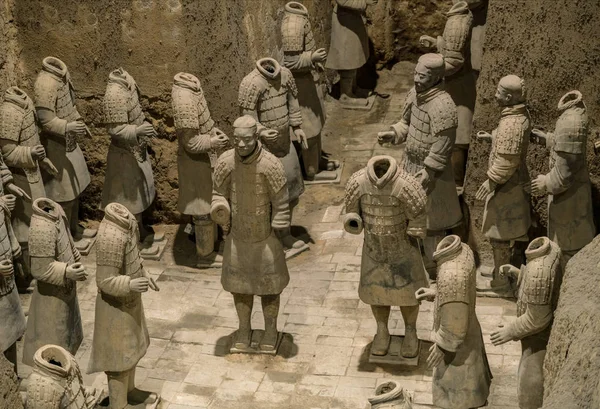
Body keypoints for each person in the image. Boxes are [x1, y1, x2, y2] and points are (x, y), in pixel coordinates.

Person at [378, 53, 462, 279]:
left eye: (422, 76)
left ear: (435, 77)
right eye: (415, 73)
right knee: (409, 215)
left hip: (433, 175)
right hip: (410, 165)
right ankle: (415, 261)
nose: (416, 79)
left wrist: (431, 170)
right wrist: (394, 133)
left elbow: (443, 143)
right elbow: (407, 123)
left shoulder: (443, 106)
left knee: (432, 222)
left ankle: (435, 270)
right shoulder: (415, 95)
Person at [211, 115, 290, 352]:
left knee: (269, 288)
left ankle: (270, 330)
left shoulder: (270, 164)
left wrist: (280, 220)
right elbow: (217, 192)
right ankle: (243, 329)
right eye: (238, 140)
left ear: (256, 137)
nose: (242, 145)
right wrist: (220, 208)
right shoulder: (226, 162)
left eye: (247, 140)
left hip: (265, 239)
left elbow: (281, 199)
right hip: (238, 238)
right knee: (240, 287)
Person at [344, 155, 429, 358]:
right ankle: (382, 330)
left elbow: (418, 214)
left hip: (403, 249)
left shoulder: (406, 185)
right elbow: (351, 212)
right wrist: (353, 220)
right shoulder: (358, 182)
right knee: (377, 294)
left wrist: (416, 230)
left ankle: (411, 332)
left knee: (408, 296)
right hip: (374, 250)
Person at [88, 202, 160, 409]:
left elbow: (132, 259)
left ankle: (130, 391)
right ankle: (118, 403)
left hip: (130, 302)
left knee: (132, 350)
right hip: (114, 308)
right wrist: (130, 283)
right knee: (117, 358)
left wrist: (144, 274)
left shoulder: (127, 225)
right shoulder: (110, 235)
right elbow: (104, 280)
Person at [416, 235, 492, 409]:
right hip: (470, 332)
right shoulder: (463, 250)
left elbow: (456, 326)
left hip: (457, 351)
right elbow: (460, 296)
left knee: (457, 398)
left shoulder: (452, 274)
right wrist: (437, 294)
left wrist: (442, 346)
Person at [475, 75, 531, 293]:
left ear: (508, 96)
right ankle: (502, 271)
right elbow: (510, 147)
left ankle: (501, 284)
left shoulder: (512, 123)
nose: (495, 95)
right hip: (511, 184)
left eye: (498, 92)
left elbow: (508, 160)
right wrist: (493, 138)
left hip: (507, 188)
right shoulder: (517, 116)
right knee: (502, 233)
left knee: (500, 234)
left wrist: (491, 182)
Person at [491, 237, 561, 409]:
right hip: (534, 337)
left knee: (528, 381)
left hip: (538, 340)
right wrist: (519, 273)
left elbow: (538, 318)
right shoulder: (549, 251)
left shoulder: (540, 269)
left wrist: (510, 330)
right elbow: (541, 288)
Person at [529, 91, 595, 264]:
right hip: (571, 200)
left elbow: (565, 175)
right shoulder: (574, 116)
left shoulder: (571, 122)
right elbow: (570, 150)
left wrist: (545, 182)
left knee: (569, 252)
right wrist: (549, 139)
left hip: (570, 202)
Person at [172, 72, 228, 268]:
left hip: (202, 161)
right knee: (201, 209)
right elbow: (190, 143)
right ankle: (204, 255)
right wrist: (212, 142)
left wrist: (213, 132)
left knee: (207, 203)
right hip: (194, 164)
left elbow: (203, 123)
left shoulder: (192, 88)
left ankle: (211, 245)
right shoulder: (184, 100)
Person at [22, 198, 85, 366]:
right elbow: (40, 269)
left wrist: (75, 258)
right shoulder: (41, 227)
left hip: (65, 291)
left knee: (66, 343)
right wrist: (67, 271)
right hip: (51, 298)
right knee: (53, 349)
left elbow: (68, 240)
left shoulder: (57, 210)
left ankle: (66, 377)